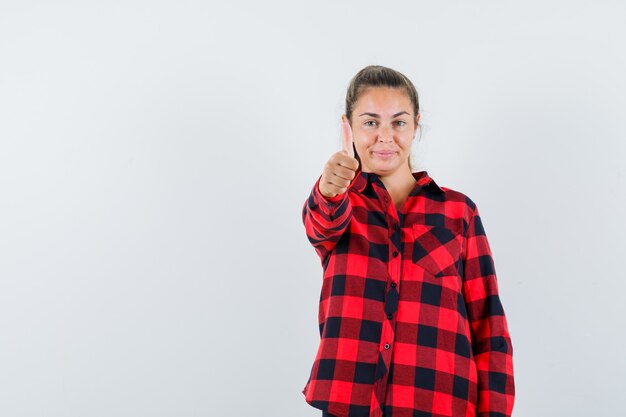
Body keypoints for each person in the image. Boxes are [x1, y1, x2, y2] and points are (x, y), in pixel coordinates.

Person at [301, 65, 515, 417]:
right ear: (348, 127)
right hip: (349, 405)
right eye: (370, 122)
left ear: (415, 124)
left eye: (398, 122)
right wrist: (329, 188)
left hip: (438, 404)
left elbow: (488, 325)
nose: (385, 136)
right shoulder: (339, 202)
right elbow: (320, 224)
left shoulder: (458, 212)